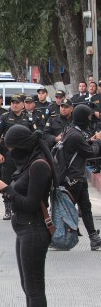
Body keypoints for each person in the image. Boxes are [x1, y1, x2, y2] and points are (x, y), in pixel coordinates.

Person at [0, 125, 54, 307]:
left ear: (23, 146)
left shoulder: (39, 166)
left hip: (34, 231)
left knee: (35, 288)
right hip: (24, 230)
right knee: (28, 286)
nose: (11, 151)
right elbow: (19, 194)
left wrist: (7, 188)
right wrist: (5, 191)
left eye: (13, 147)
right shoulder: (28, 163)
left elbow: (31, 203)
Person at [60, 105, 101, 250]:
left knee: (85, 207)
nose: (89, 120)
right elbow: (90, 152)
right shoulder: (75, 135)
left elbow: (81, 147)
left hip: (78, 176)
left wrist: (91, 140)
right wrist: (97, 141)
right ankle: (58, 237)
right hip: (73, 178)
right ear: (82, 118)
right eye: (88, 117)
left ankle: (93, 238)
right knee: (67, 209)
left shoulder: (71, 131)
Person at [0, 95, 37, 220]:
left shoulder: (28, 118)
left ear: (23, 104)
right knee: (7, 182)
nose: (14, 105)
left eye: (17, 102)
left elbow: (34, 136)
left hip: (25, 157)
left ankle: (20, 207)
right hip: (8, 156)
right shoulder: (4, 117)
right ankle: (7, 209)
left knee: (24, 182)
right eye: (12, 102)